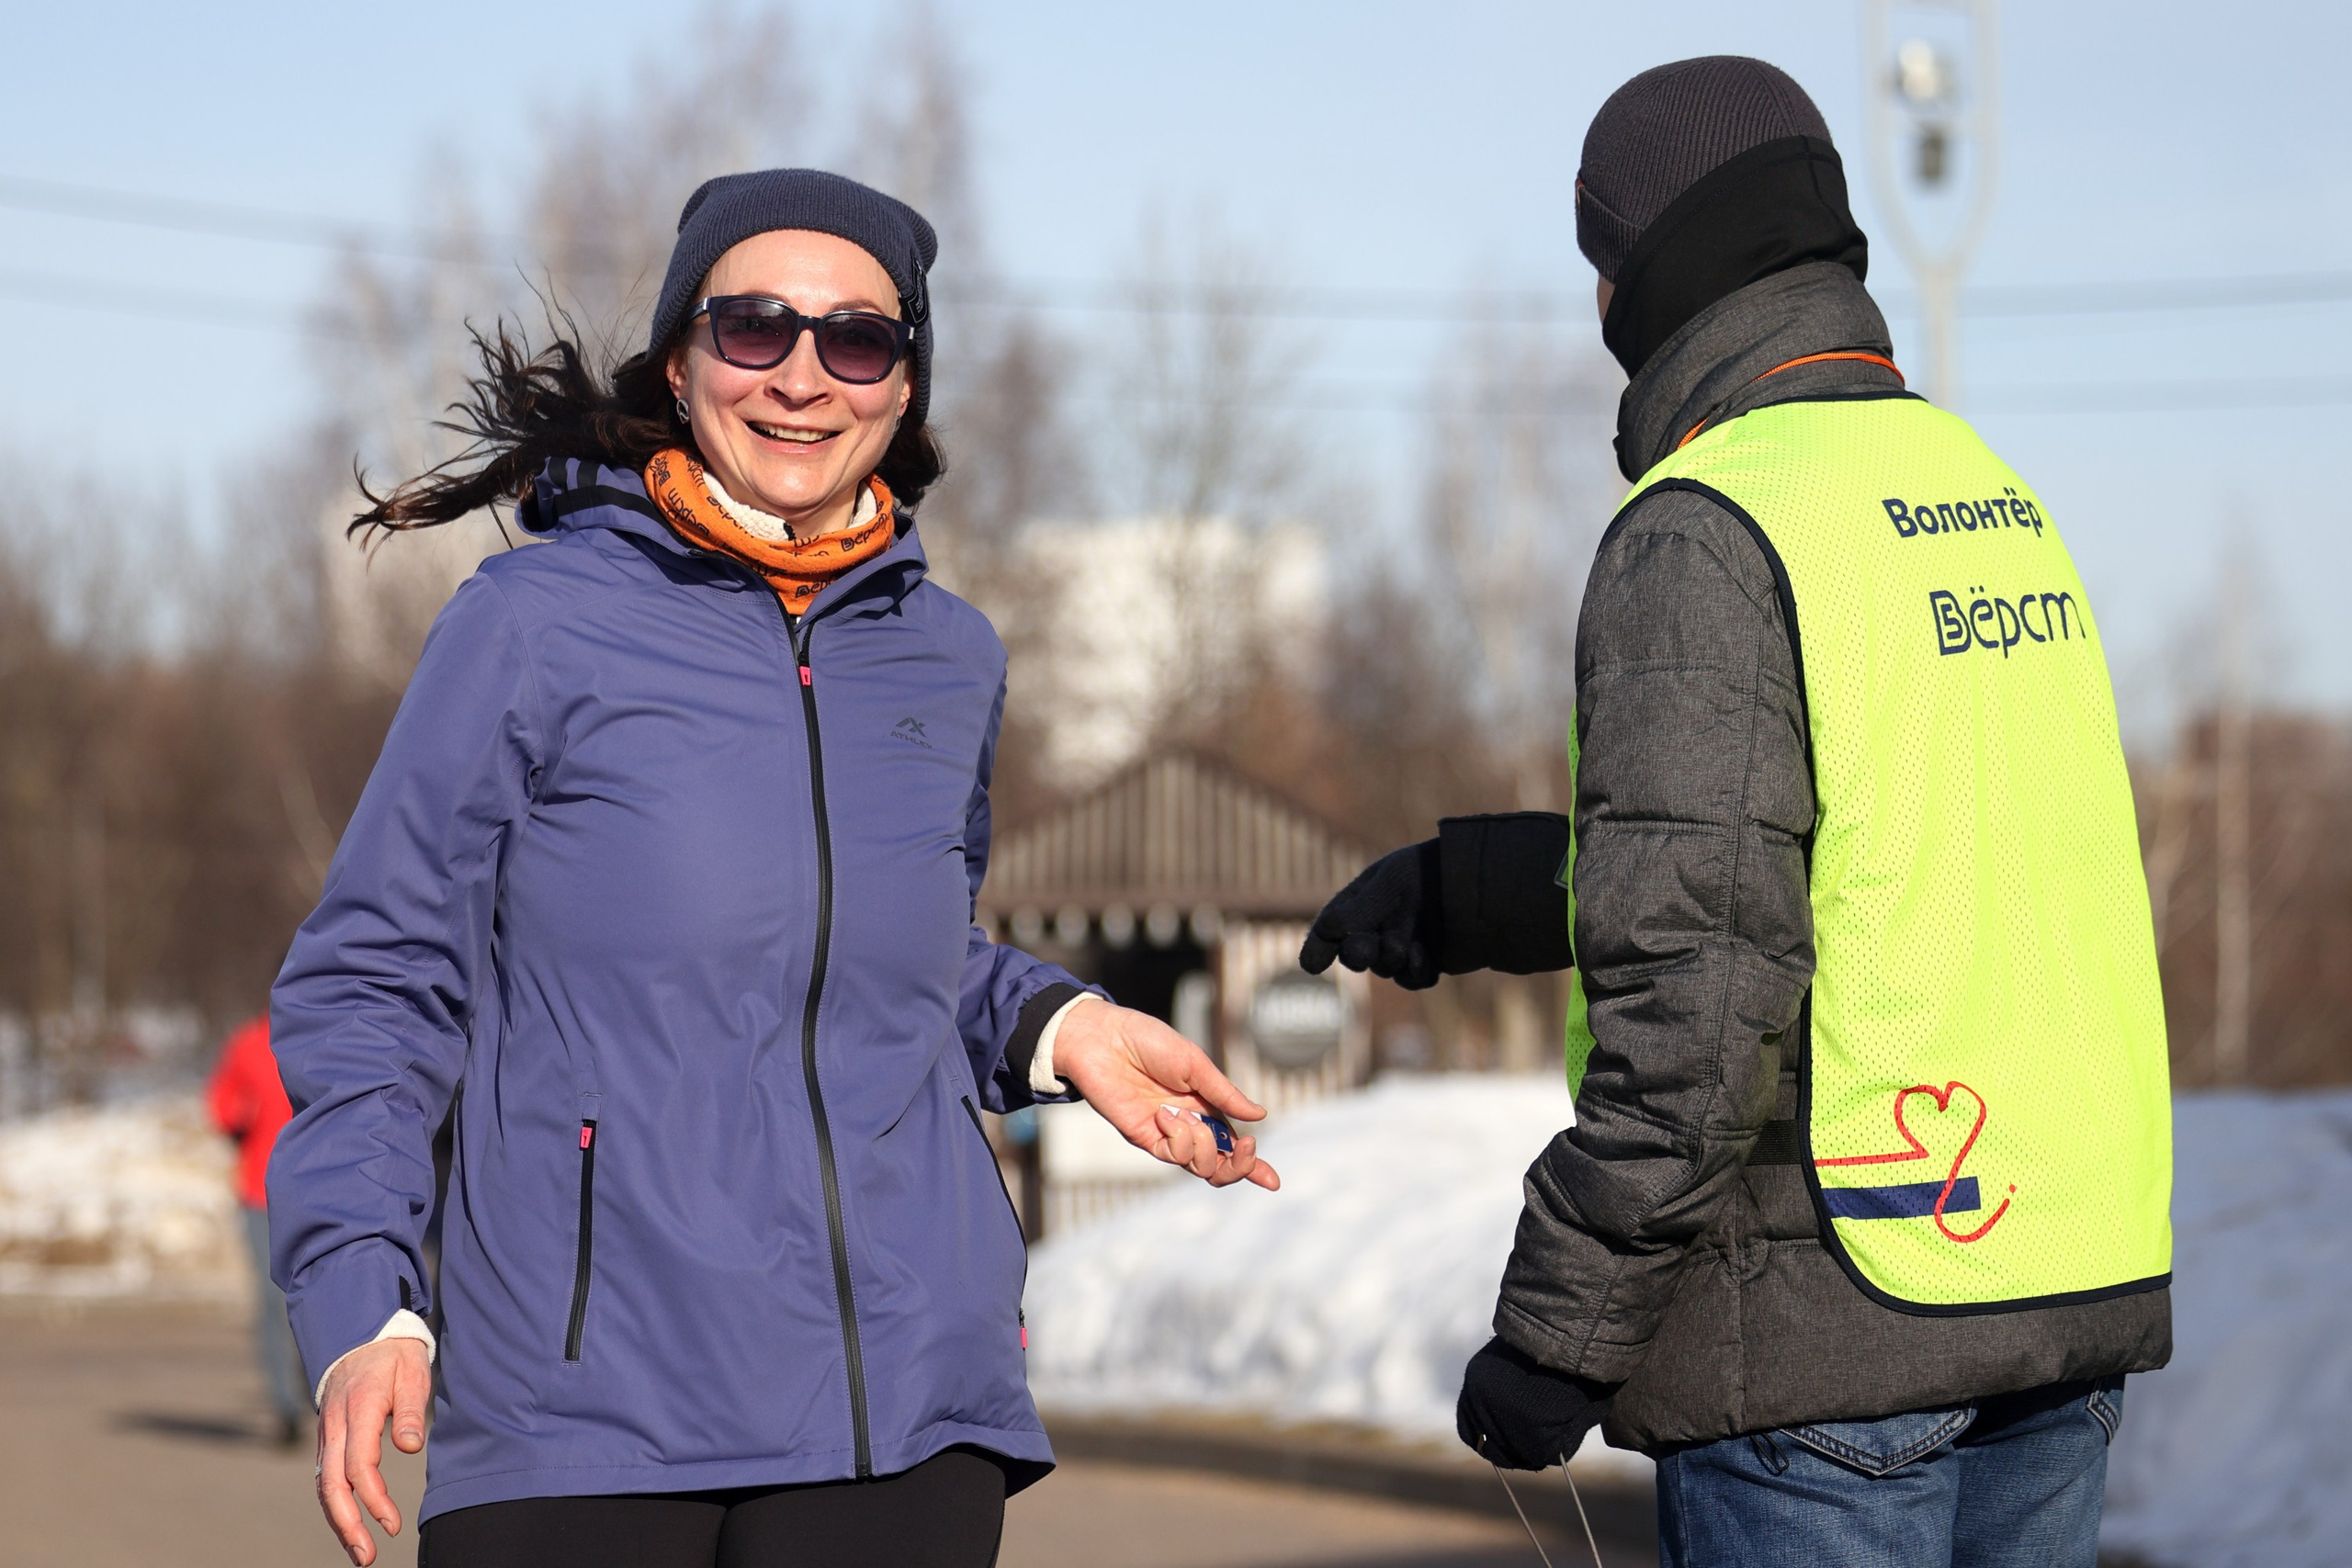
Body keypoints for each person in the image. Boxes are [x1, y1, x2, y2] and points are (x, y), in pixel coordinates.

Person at [269, 168, 1279, 1568]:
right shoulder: (531, 626)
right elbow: (377, 975)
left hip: (901, 1419)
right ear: (682, 362)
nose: (804, 375)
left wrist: (1064, 1021)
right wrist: (360, 1296)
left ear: (904, 387)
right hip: (585, 1413)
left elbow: (881, 944)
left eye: (857, 339)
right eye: (755, 328)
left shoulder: (951, 654)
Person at [1304, 59, 2170, 1567]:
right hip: (2051, 1296)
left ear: (1649, 272)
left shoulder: (1711, 525)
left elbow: (1702, 998)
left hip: (1828, 1333)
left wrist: (1561, 1329)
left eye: (1600, 268)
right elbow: (1910, 858)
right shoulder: (1985, 491)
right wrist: (1501, 889)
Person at [205, 1012, 307, 1448]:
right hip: (259, 1194)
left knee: (319, 1296)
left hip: (318, 1193)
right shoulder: (248, 1042)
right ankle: (285, 1406)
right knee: (272, 1300)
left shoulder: (334, 1031)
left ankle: (320, 1389)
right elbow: (220, 1101)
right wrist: (236, 1119)